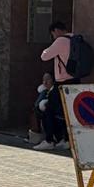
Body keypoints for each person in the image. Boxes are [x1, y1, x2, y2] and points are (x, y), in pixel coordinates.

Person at [37, 21, 74, 151]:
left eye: (52, 34)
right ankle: (67, 140)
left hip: (63, 82)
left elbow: (45, 56)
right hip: (75, 81)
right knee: (69, 112)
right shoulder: (75, 39)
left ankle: (49, 140)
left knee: (48, 109)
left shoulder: (61, 41)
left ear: (56, 31)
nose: (53, 37)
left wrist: (47, 48)